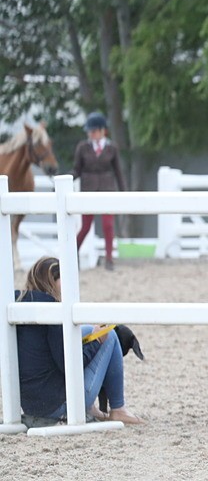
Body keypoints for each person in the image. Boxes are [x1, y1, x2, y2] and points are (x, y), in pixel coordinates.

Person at [14, 257, 144, 426]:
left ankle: (93, 409)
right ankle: (118, 409)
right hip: (60, 406)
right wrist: (96, 341)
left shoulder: (18, 306)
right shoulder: (53, 310)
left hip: (32, 405)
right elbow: (69, 365)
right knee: (109, 334)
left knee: (86, 329)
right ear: (51, 281)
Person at [73, 112, 127, 271]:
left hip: (107, 190)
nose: (91, 134)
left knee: (108, 225)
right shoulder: (83, 147)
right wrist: (66, 178)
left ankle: (109, 259)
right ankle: (72, 253)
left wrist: (124, 193)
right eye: (90, 131)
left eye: (94, 131)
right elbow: (77, 169)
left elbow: (118, 171)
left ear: (103, 130)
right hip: (88, 190)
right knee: (86, 226)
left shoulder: (111, 148)